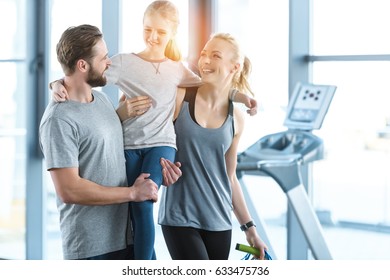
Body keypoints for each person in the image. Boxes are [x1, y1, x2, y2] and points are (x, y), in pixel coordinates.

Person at [50, 1, 257, 260]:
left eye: (161, 31)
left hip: (163, 149)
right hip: (132, 149)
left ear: (173, 33)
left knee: (143, 202)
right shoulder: (125, 64)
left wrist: (241, 96)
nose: (153, 36)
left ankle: (144, 263)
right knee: (134, 205)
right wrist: (56, 82)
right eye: (148, 29)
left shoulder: (177, 70)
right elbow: (87, 72)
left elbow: (207, 84)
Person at [39, 24, 181, 260]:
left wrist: (159, 173)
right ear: (82, 65)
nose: (109, 62)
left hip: (127, 237)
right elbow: (69, 190)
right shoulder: (58, 120)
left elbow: (112, 155)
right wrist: (133, 194)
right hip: (92, 249)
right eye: (104, 57)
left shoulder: (102, 100)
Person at [157, 33, 268, 260]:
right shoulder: (179, 98)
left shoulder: (236, 118)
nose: (205, 61)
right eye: (204, 54)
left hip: (219, 221)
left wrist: (250, 230)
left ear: (234, 67)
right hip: (179, 217)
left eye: (215, 56)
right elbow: (150, 140)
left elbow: (229, 178)